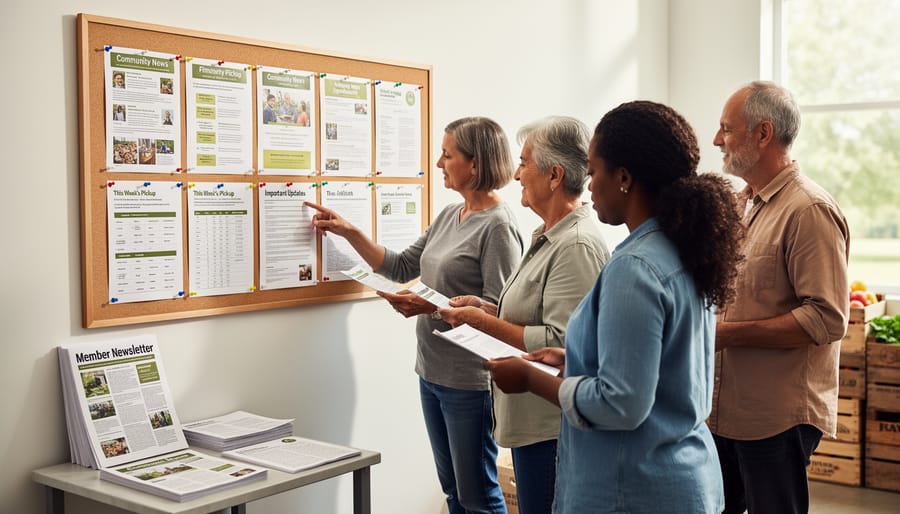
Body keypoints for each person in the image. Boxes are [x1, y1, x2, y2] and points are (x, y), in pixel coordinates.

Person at [486, 101, 745, 514]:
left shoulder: (634, 268)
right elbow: (655, 367)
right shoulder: (679, 248)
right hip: (681, 473)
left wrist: (531, 380)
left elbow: (621, 403)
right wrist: (575, 360)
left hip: (636, 488)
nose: (588, 186)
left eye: (592, 173)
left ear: (624, 178)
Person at [305, 116, 523, 514]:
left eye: (447, 154)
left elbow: (498, 315)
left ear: (475, 164)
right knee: (453, 492)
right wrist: (348, 231)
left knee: (477, 497)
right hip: (433, 373)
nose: (439, 163)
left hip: (469, 383)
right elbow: (403, 266)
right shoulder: (449, 215)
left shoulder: (499, 227)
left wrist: (430, 307)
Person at [438, 116, 609, 514]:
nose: (516, 174)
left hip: (551, 426)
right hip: (531, 422)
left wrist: (484, 323)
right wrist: (487, 309)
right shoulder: (545, 234)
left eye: (524, 163)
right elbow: (531, 313)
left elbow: (563, 341)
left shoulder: (577, 244)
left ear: (554, 175)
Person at [708, 81, 850, 514]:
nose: (717, 140)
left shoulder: (809, 210)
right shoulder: (740, 204)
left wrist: (726, 335)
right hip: (725, 411)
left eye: (726, 129)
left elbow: (826, 319)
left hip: (776, 417)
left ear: (763, 134)